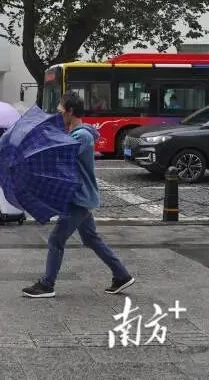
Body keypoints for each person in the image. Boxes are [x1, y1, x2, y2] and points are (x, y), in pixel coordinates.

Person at [22, 92, 134, 298]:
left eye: (60, 111)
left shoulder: (81, 136)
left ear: (71, 111)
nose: (59, 114)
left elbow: (61, 159)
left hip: (78, 198)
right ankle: (122, 275)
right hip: (79, 196)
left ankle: (47, 285)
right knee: (91, 239)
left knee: (56, 239)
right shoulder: (75, 134)